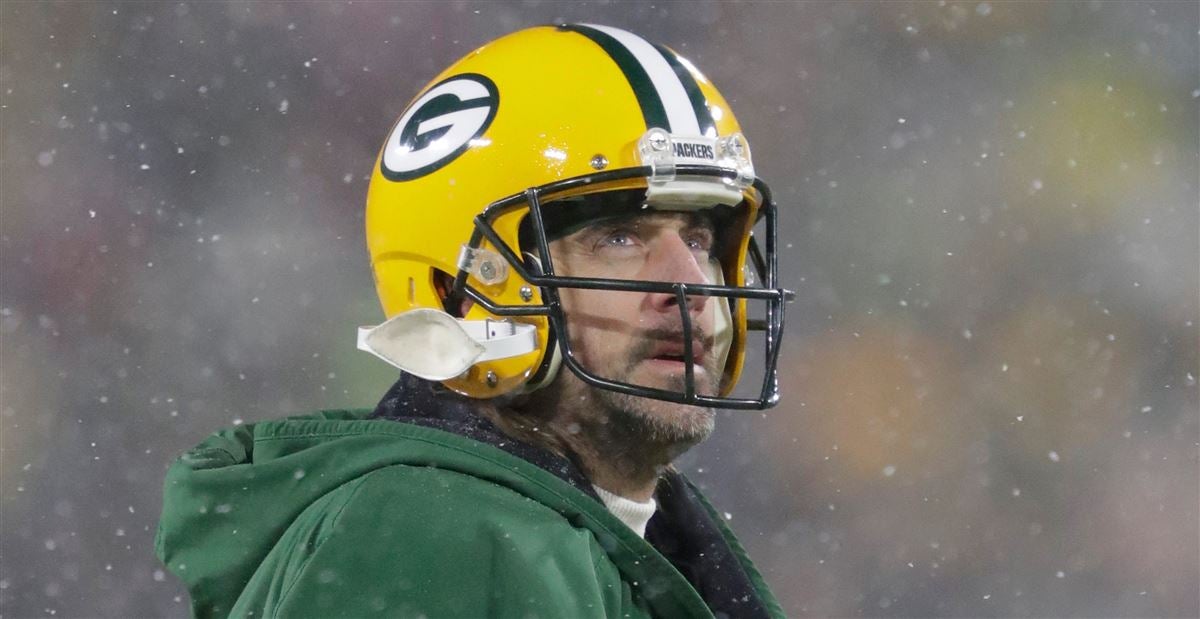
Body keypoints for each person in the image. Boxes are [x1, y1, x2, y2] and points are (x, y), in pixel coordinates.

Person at [156, 24, 791, 618]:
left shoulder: (602, 531)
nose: (690, 286)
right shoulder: (442, 534)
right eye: (619, 237)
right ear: (459, 292)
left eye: (701, 238)